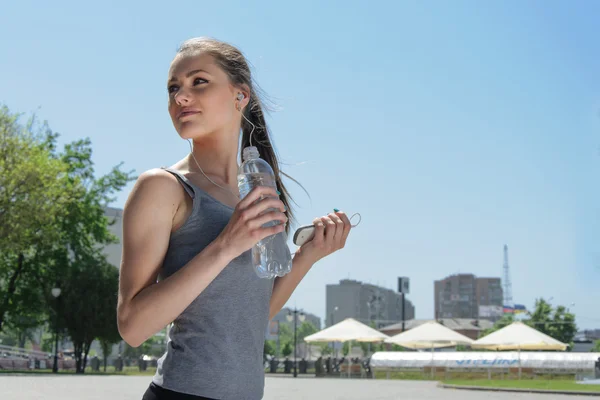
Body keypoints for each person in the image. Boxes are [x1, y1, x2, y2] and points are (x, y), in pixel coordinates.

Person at [117, 37, 353, 400]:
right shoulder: (162, 188)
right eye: (173, 88)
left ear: (239, 95)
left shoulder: (259, 185)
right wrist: (226, 245)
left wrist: (307, 257)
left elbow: (252, 314)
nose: (180, 96)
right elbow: (133, 327)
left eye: (199, 82)